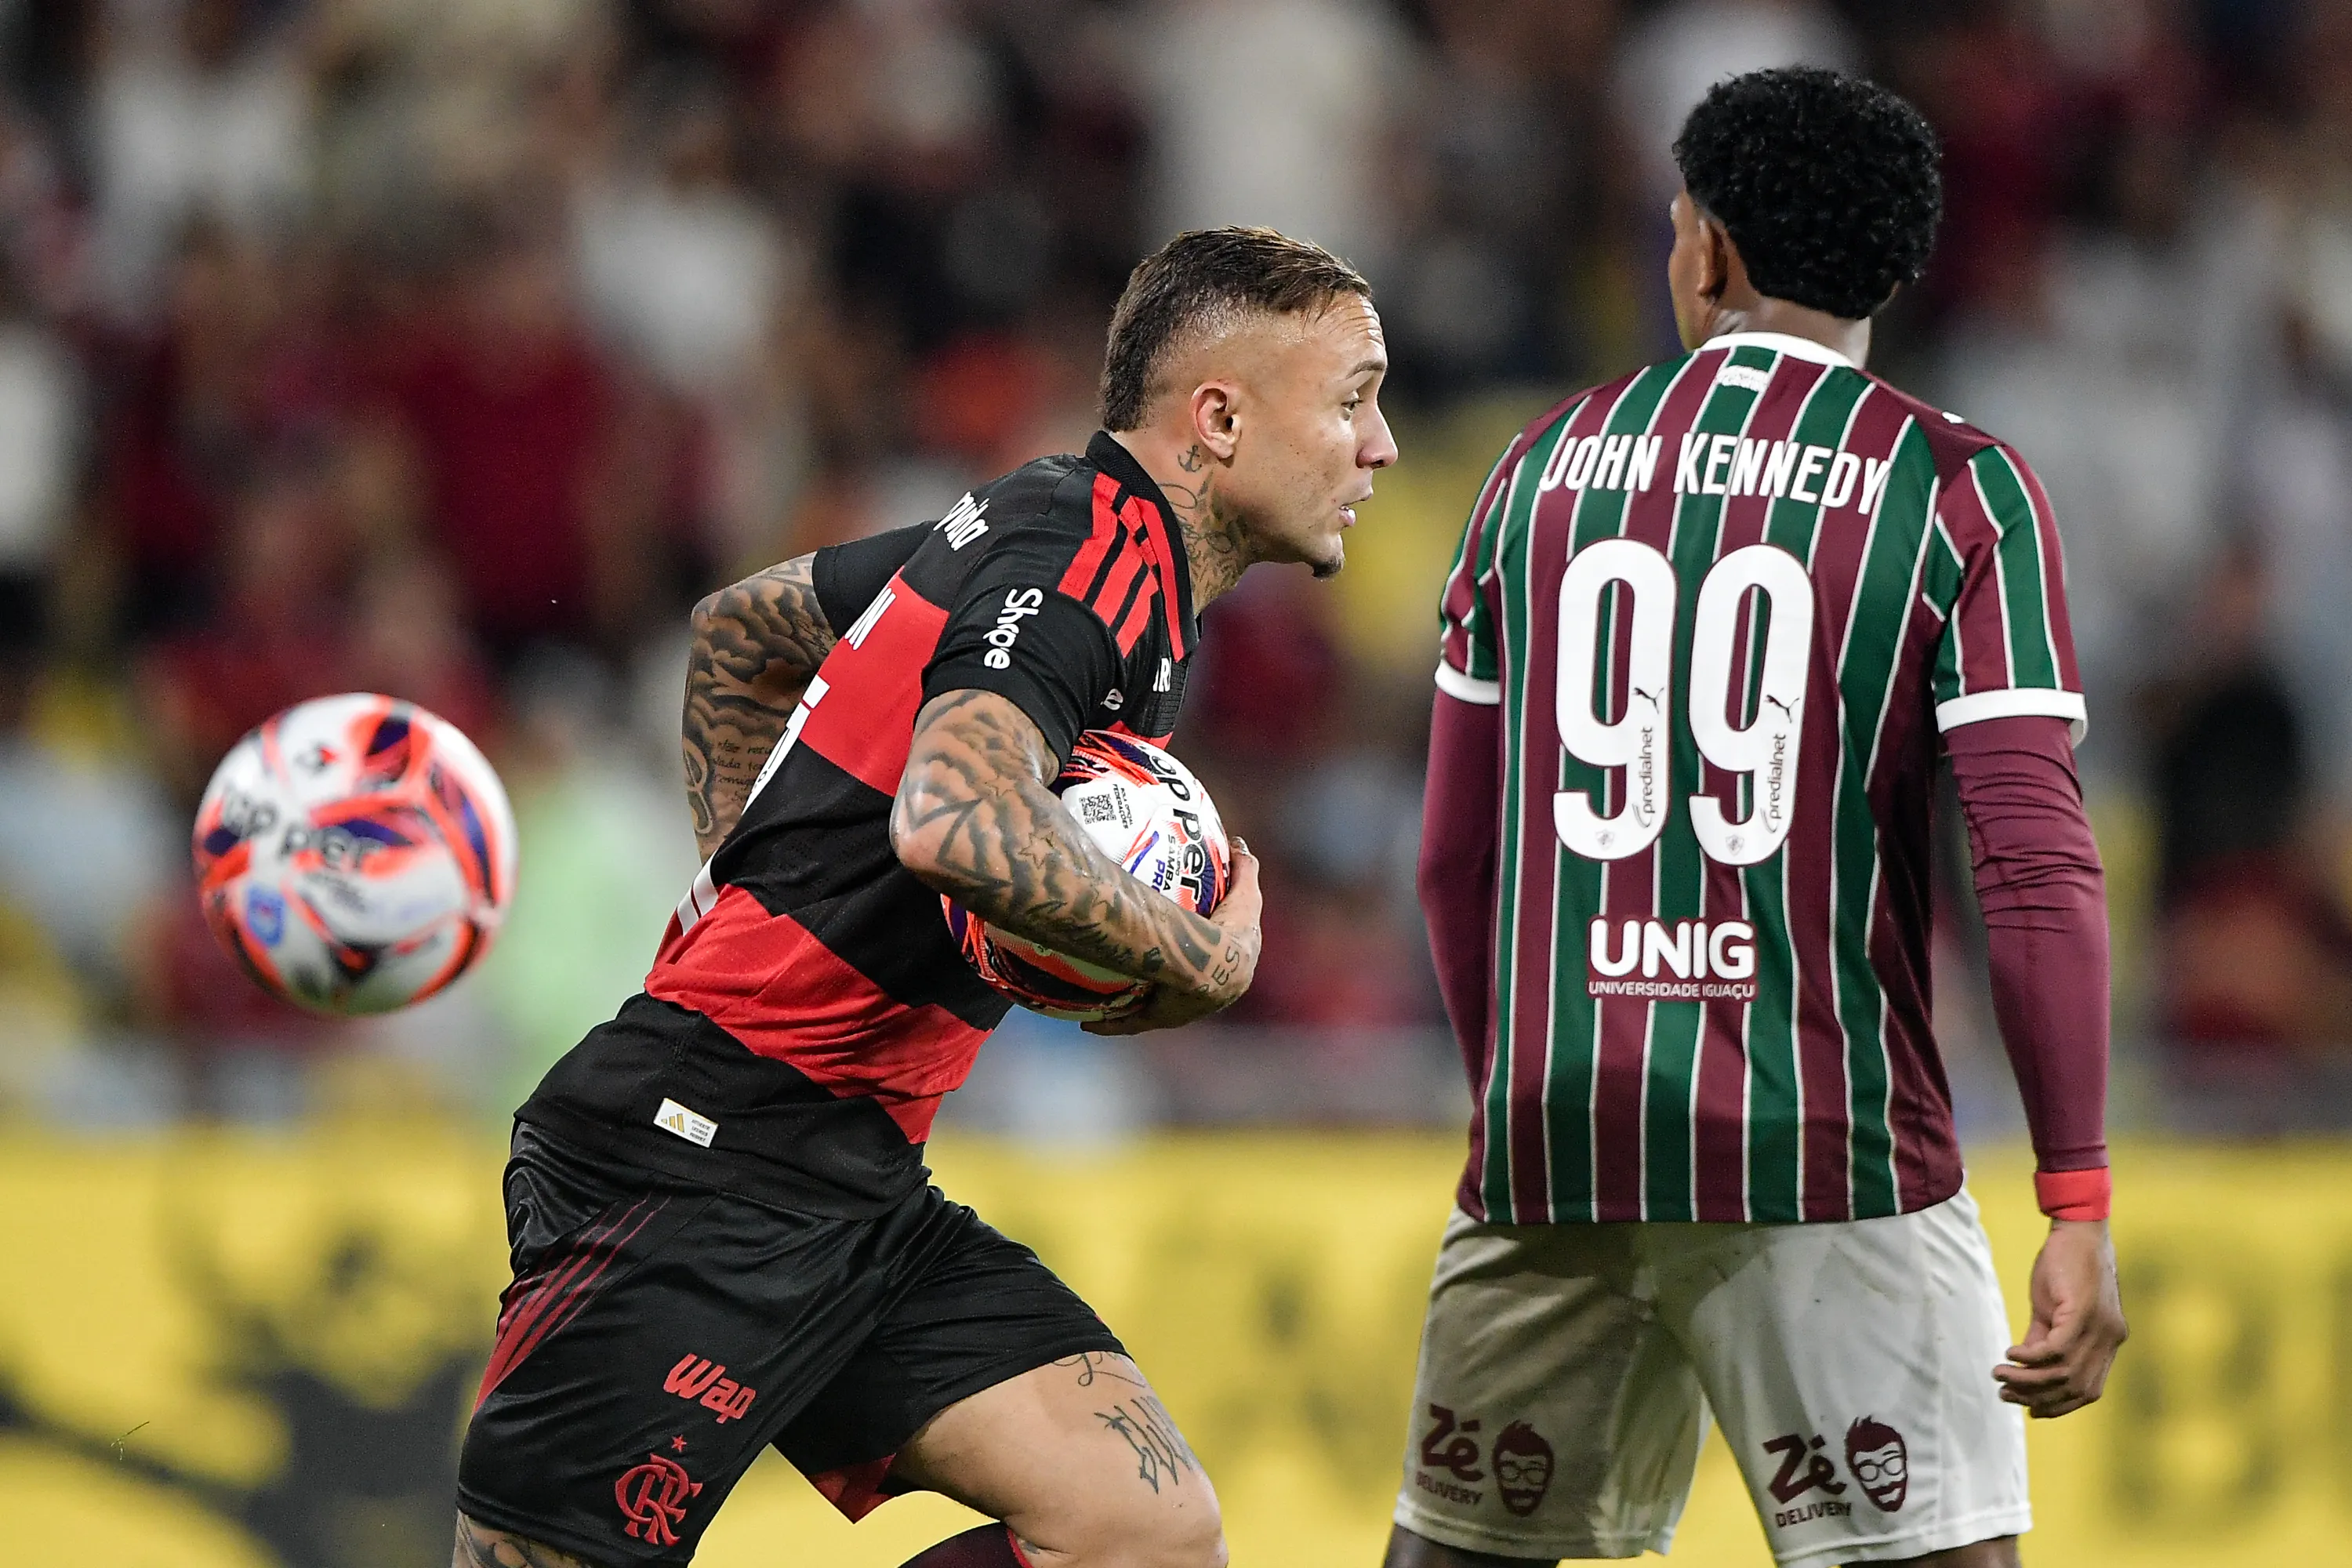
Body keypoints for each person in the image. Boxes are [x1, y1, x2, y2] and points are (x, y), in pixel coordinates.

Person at [452, 225, 1395, 1568]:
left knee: (1141, 1529)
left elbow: (742, 631)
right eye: (1352, 400)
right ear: (1222, 419)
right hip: (695, 1157)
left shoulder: (1054, 530)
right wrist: (1195, 958)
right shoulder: (1088, 559)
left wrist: (749, 878)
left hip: (849, 1175)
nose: (1382, 447)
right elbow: (954, 818)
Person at [1392, 69, 2125, 1568]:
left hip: (1558, 1139)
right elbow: (2033, 862)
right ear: (1894, 272)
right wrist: (2078, 1193)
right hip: (1824, 1145)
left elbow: (1456, 859)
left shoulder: (1532, 471)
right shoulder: (1955, 492)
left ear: (1709, 252)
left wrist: (1522, 1101)